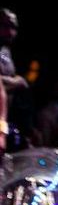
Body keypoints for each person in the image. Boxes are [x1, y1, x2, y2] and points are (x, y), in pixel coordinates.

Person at [0, 8, 27, 152]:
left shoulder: (6, 51)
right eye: (7, 26)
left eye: (14, 27)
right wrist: (17, 82)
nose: (11, 32)